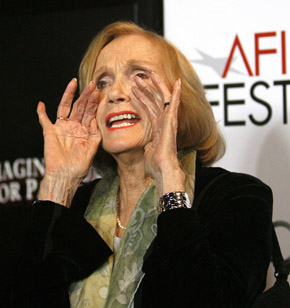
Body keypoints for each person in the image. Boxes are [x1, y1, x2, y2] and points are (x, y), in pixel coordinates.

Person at [1, 22, 273, 308]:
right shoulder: (75, 207)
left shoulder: (238, 195)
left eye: (140, 76)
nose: (115, 93)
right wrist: (58, 184)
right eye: (102, 83)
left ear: (180, 100)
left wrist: (169, 180)